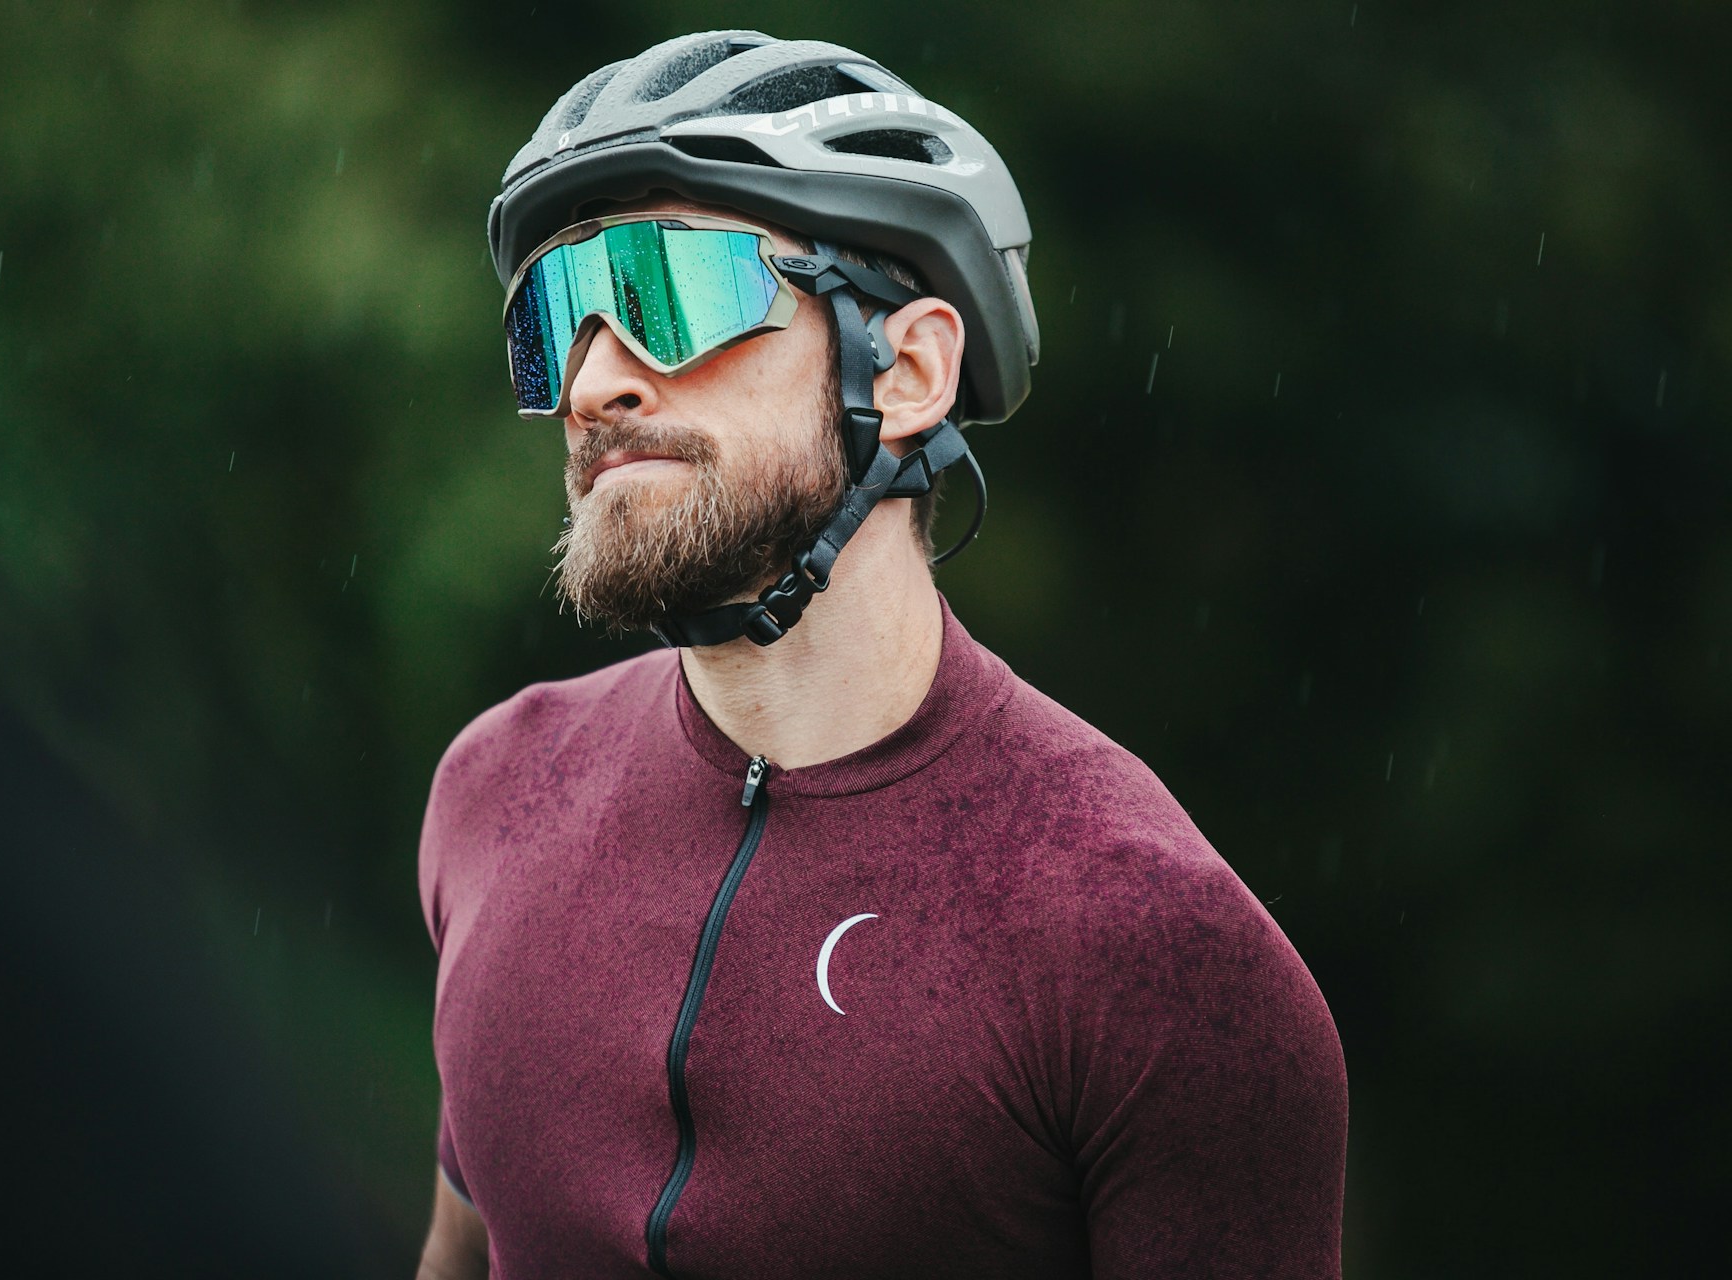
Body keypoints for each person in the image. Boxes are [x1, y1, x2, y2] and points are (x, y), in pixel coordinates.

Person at [416, 31, 1347, 1280]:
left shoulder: (1150, 946)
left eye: (670, 293)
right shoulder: (495, 793)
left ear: (906, 370)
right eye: (553, 322)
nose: (594, 383)